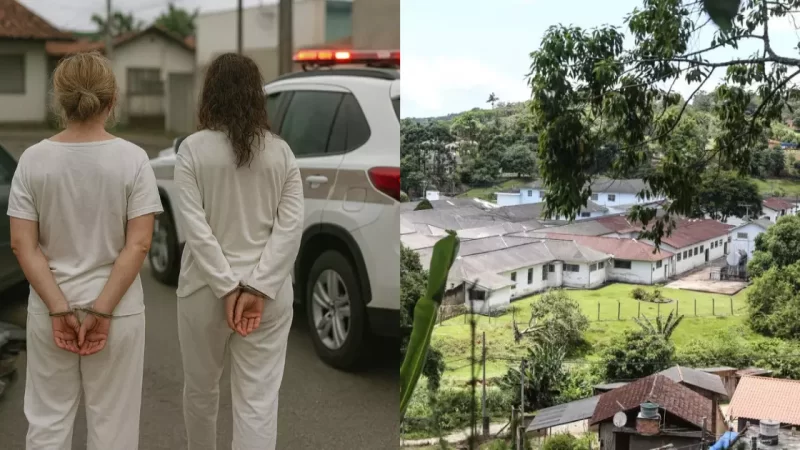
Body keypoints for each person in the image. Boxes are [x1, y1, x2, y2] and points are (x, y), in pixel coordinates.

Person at [7, 51, 162, 449]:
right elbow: (140, 243)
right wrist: (102, 310)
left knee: (47, 424)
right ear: (112, 102)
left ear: (59, 101)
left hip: (49, 307)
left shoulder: (33, 160)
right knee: (114, 429)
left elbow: (23, 244)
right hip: (118, 310)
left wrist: (59, 307)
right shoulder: (134, 160)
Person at [176, 53, 304, 450]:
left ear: (209, 94)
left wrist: (228, 288)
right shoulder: (281, 153)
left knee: (201, 392)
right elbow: (290, 228)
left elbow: (195, 229)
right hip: (267, 299)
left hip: (203, 291)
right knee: (258, 401)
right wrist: (258, 287)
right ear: (256, 95)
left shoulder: (192, 150)